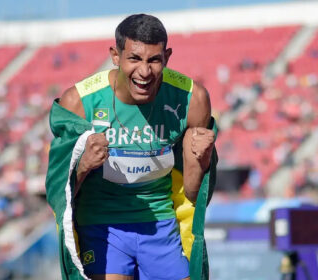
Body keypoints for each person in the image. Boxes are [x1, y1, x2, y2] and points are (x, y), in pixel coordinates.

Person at [46, 14, 218, 280]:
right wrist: (82, 165)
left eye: (154, 60)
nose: (145, 72)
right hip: (101, 226)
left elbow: (193, 194)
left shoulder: (191, 99)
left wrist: (203, 157)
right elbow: (59, 194)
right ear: (116, 56)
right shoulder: (79, 102)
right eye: (134, 59)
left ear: (167, 57)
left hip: (161, 226)